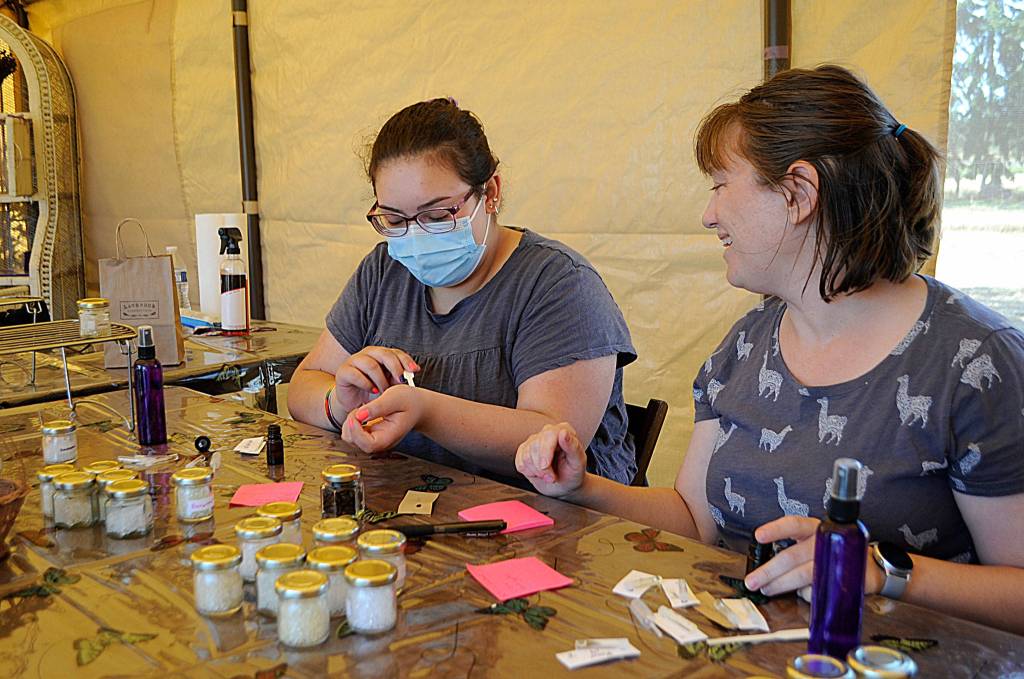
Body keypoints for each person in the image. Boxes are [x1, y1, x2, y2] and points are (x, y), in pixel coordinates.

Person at [514, 65, 1024, 633]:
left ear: (798, 193)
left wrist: (877, 571)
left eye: (719, 185)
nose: (709, 215)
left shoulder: (977, 363)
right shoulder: (749, 342)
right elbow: (694, 521)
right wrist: (581, 486)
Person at [288, 98, 637, 487]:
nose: (415, 237)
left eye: (437, 216)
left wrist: (424, 412)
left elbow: (551, 444)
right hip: (417, 506)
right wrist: (338, 403)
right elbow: (303, 386)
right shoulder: (384, 272)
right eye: (393, 219)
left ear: (490, 193)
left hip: (552, 526)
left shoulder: (558, 285)